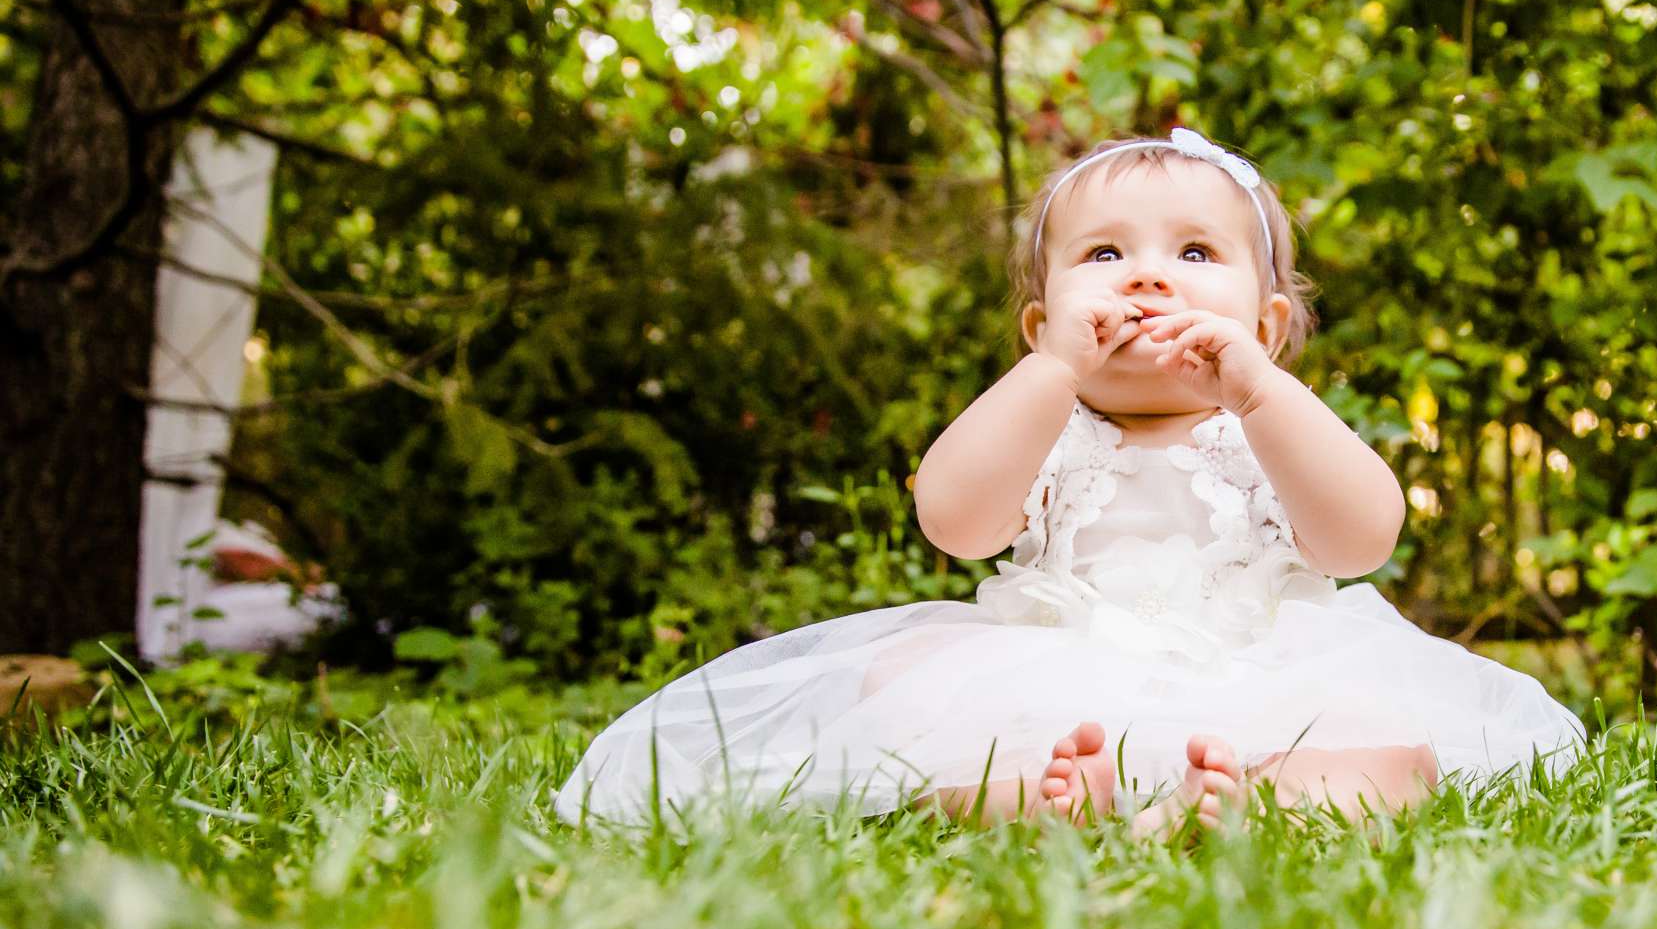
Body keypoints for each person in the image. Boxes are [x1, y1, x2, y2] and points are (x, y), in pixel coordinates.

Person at [553, 127, 1587, 833]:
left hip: (1264, 667)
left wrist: (1261, 394)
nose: (1146, 276)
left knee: (1394, 753)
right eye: (1103, 253)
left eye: (1193, 251)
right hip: (1064, 667)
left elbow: (1362, 540)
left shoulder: (1266, 427)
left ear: (1266, 324)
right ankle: (1052, 797)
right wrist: (1050, 378)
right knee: (901, 688)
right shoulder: (1049, 423)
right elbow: (955, 522)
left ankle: (1249, 793)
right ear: (1042, 323)